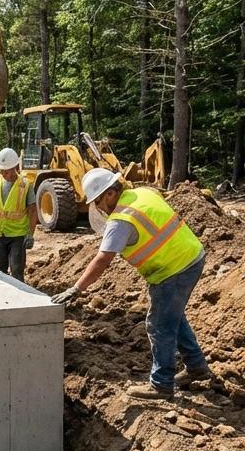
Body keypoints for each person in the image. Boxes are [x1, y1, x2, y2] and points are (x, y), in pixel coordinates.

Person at [51, 169, 210, 400]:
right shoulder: (143, 193)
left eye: (97, 202)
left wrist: (77, 288)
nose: (98, 208)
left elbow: (103, 259)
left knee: (158, 325)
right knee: (172, 317)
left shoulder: (120, 220)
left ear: (109, 194)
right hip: (191, 256)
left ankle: (161, 384)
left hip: (174, 269)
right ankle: (196, 365)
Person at [0, 147, 38, 282]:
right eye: (1, 170)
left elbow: (33, 211)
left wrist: (30, 234)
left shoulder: (25, 185)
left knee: (16, 269)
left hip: (18, 236)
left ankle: (20, 298)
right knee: (0, 271)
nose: (3, 173)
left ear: (15, 167)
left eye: (6, 170)